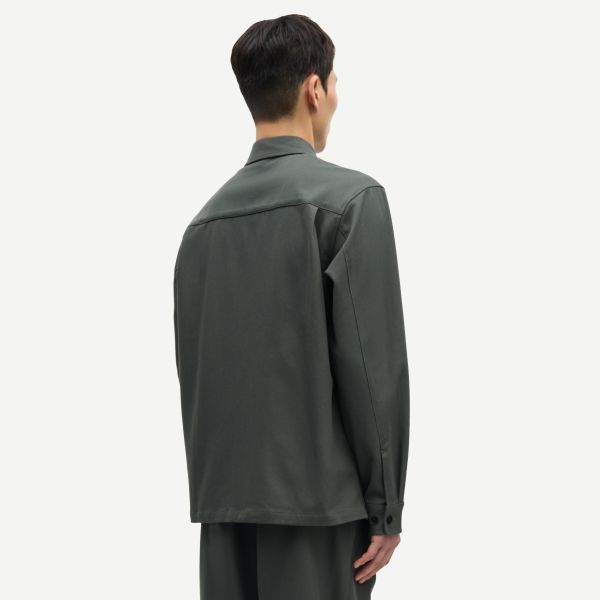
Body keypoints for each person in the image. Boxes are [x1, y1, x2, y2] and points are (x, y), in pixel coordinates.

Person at [173, 13, 410, 599]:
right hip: (321, 520)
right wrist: (386, 507)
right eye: (335, 84)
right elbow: (371, 369)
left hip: (224, 522)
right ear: (314, 89)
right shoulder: (351, 201)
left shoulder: (200, 228)